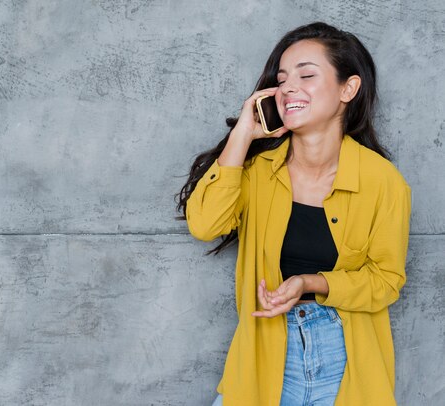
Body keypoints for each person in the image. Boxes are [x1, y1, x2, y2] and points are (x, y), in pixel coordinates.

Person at [176, 22, 412, 405]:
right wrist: (243, 134)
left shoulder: (384, 182)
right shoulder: (257, 173)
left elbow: (386, 281)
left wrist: (310, 283)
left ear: (347, 89)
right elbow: (204, 224)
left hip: (344, 359)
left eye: (306, 75)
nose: (288, 87)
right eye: (282, 78)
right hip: (262, 354)